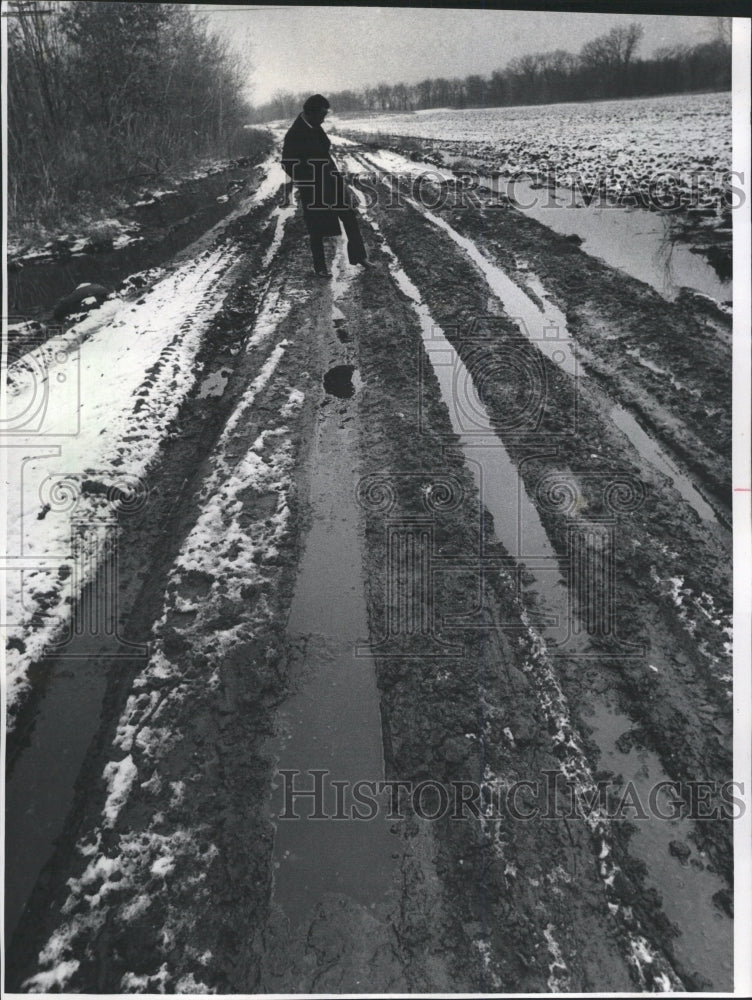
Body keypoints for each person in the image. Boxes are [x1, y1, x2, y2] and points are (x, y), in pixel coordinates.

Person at [281, 94, 369, 278]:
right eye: (321, 115)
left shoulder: (315, 126)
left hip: (331, 180)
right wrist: (307, 179)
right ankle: (320, 268)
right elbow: (287, 164)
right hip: (313, 187)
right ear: (310, 112)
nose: (324, 118)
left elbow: (324, 149)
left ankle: (360, 257)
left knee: (349, 216)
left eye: (325, 115)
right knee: (316, 229)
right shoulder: (294, 134)